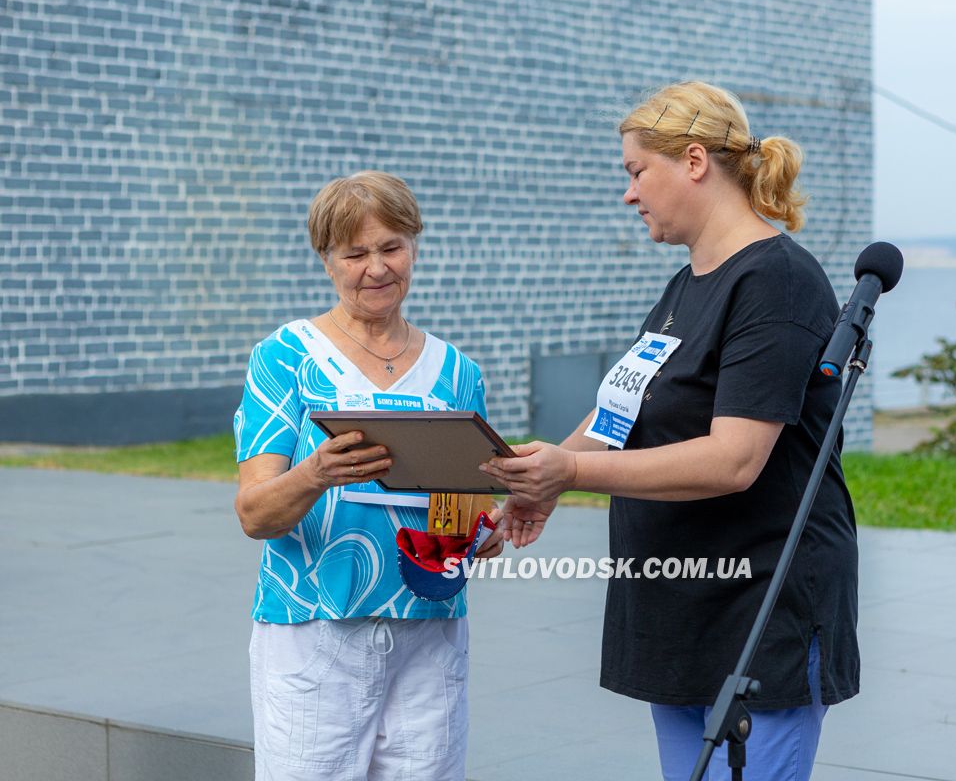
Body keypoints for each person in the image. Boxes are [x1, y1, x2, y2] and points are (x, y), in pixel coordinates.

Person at [480, 81, 860, 780]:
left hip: (759, 609)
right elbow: (620, 413)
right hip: (681, 609)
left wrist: (573, 473)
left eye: (634, 172)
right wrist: (541, 480)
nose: (628, 195)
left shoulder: (776, 281)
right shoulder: (687, 285)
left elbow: (734, 459)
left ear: (692, 161)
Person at [233, 170, 502, 780]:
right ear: (326, 261)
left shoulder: (459, 373)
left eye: (391, 248)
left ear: (414, 246)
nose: (376, 268)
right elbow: (254, 514)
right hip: (315, 634)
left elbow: (462, 516)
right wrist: (316, 474)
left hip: (430, 637)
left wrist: (481, 533)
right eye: (355, 253)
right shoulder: (287, 358)